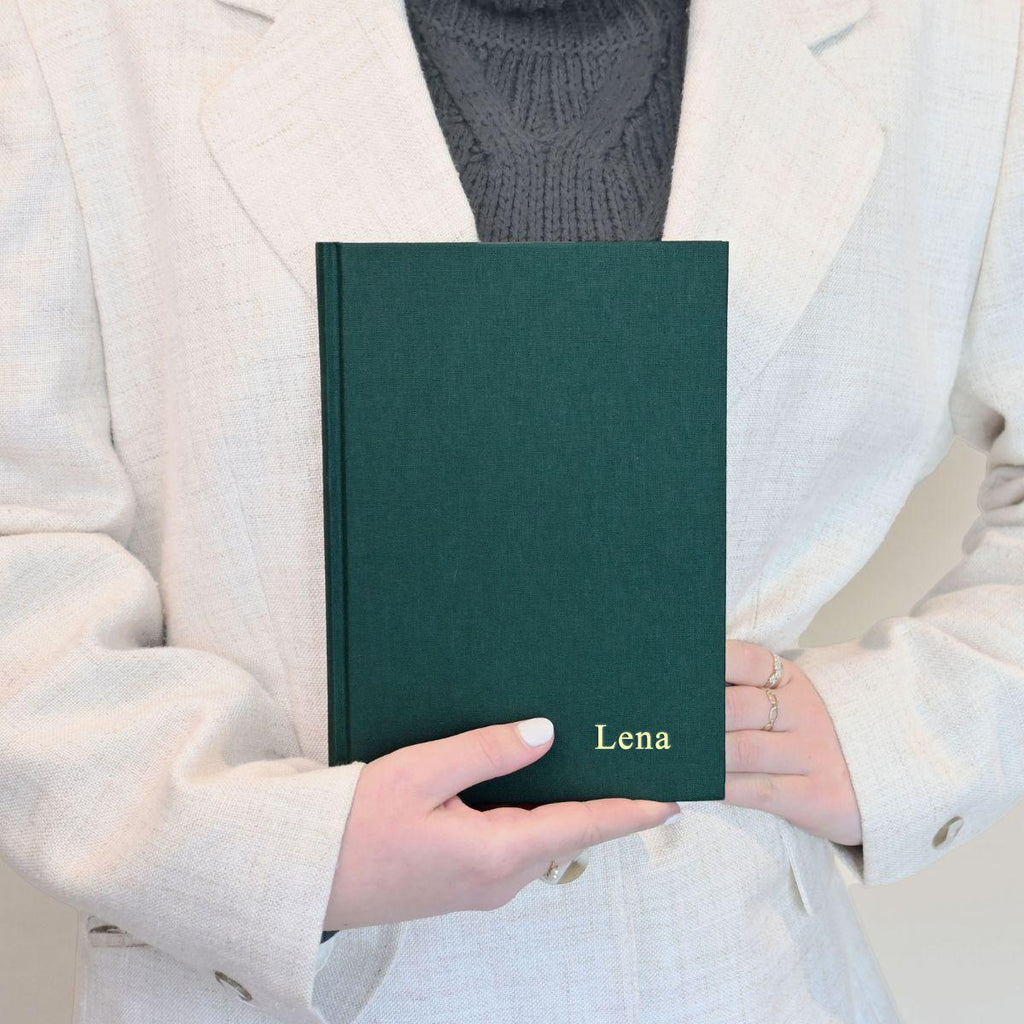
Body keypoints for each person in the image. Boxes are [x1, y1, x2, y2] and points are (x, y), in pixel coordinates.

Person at [2, 0, 1022, 1022]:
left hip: (736, 969)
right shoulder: (73, 38)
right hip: (285, 989)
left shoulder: (958, 41)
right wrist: (277, 852)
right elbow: (22, 539)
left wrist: (893, 732)